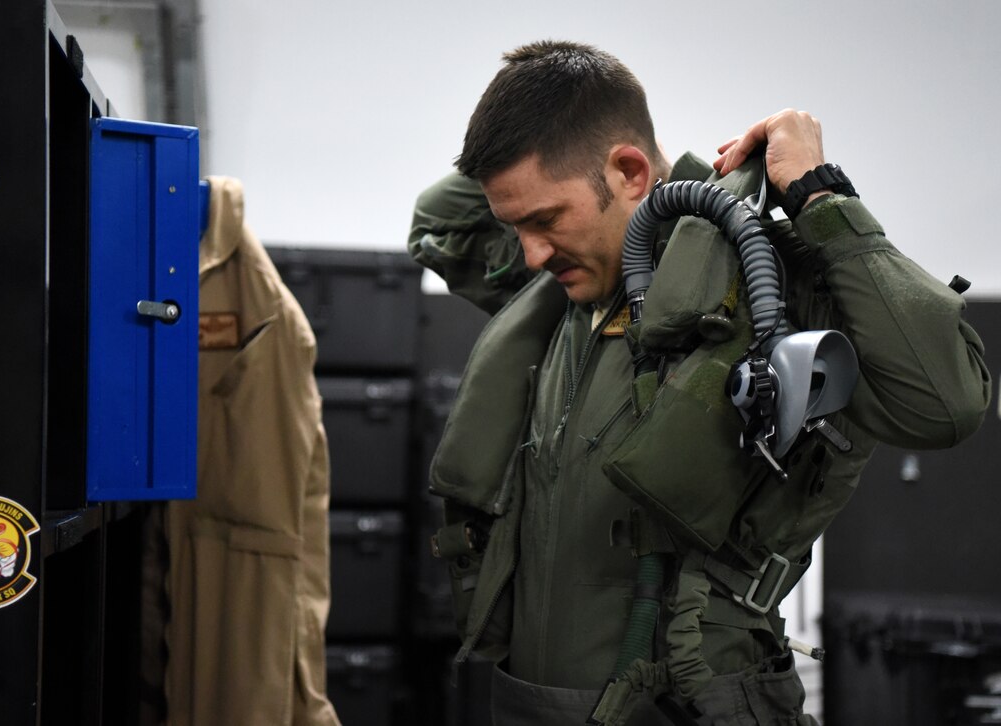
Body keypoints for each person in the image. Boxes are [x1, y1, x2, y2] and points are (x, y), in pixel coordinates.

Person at [408, 40, 991, 725]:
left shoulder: (765, 282)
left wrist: (817, 191)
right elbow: (437, 221)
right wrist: (543, 91)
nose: (530, 253)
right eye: (517, 226)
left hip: (692, 701)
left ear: (627, 171)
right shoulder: (564, 286)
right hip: (528, 703)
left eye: (543, 220)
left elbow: (944, 404)